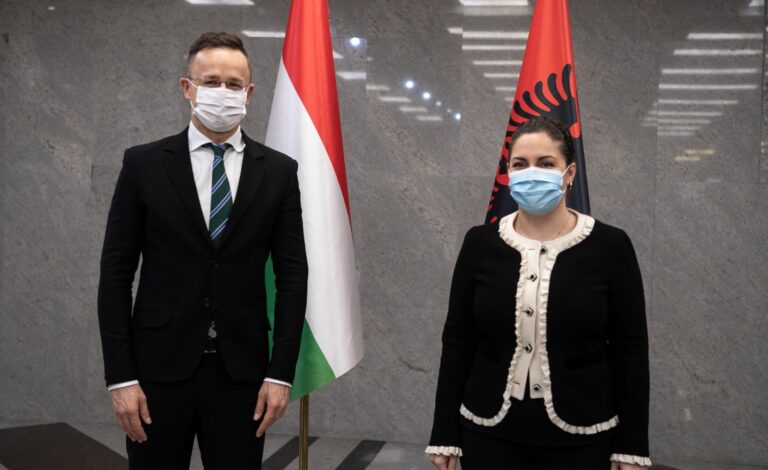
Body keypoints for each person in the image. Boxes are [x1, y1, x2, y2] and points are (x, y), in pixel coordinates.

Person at [97, 32, 308, 469]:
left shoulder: (279, 172)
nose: (222, 92)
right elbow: (116, 273)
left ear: (249, 93)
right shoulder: (143, 164)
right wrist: (120, 376)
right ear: (187, 88)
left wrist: (280, 373)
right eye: (211, 81)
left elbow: (293, 276)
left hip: (243, 376)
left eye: (234, 84)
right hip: (156, 372)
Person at [426, 116, 651, 470]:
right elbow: (458, 340)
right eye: (520, 164)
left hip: (584, 435)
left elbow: (630, 348)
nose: (531, 173)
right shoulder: (479, 243)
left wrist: (632, 445)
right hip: (487, 433)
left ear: (569, 173)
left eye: (546, 164)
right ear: (508, 173)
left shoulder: (610, 246)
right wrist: (444, 433)